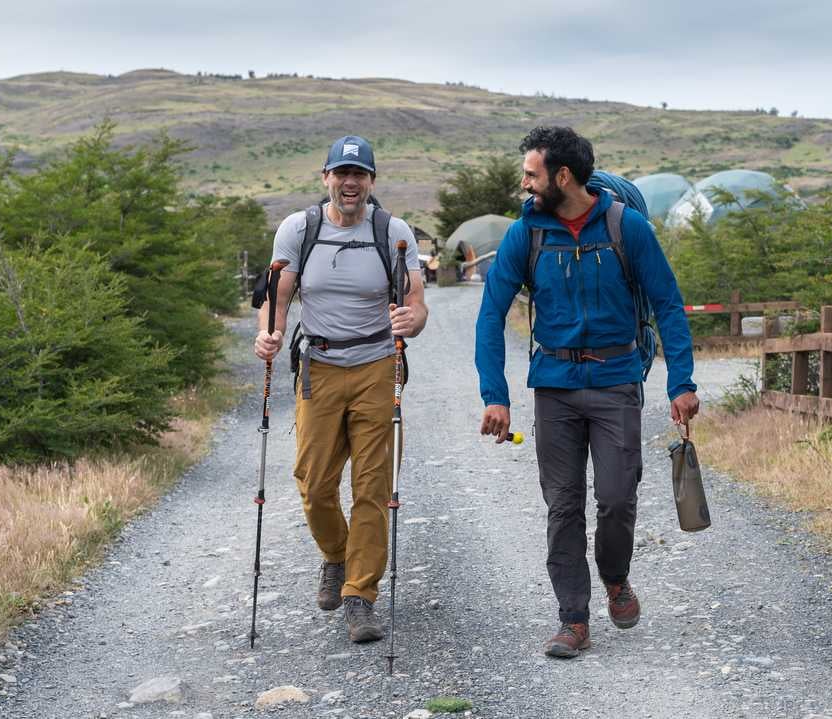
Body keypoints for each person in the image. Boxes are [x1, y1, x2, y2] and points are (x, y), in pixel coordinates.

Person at [475, 126, 699, 658]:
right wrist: (495, 394)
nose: (524, 183)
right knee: (563, 504)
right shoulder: (524, 234)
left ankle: (615, 578)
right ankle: (573, 620)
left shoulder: (627, 227)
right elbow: (490, 314)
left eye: (532, 174)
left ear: (563, 176)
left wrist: (681, 381)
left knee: (618, 498)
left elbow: (668, 303)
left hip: (616, 379)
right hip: (553, 386)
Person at [254, 135, 427, 643]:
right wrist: (268, 333)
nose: (350, 183)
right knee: (313, 481)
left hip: (376, 365)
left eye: (360, 175)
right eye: (341, 174)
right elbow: (276, 297)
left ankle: (359, 595)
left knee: (372, 488)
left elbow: (416, 305)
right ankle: (336, 554)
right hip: (319, 366)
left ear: (371, 182)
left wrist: (409, 322)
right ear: (325, 177)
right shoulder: (298, 229)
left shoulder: (392, 232)